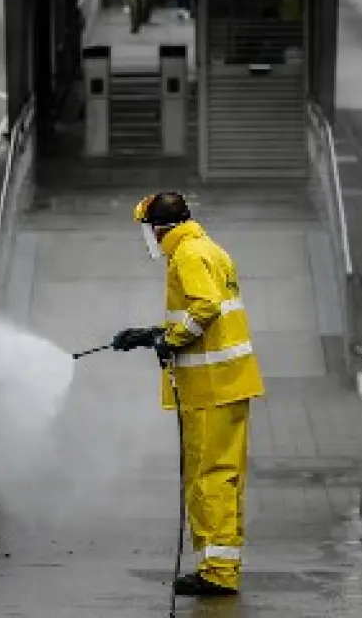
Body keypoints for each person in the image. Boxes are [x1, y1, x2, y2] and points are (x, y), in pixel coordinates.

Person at [111, 192, 265, 598]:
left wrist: (172, 340)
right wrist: (150, 335)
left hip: (211, 388)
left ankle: (216, 572)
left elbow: (205, 308)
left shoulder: (186, 256)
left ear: (157, 227)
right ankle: (220, 565)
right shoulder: (208, 248)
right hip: (228, 382)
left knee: (209, 477)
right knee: (224, 476)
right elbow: (203, 313)